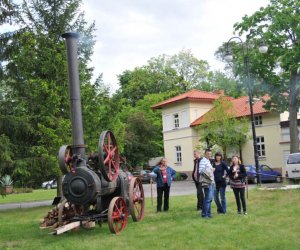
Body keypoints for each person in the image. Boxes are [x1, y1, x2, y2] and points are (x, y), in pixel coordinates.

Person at [199, 149, 214, 218]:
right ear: (205, 154)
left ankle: (208, 213)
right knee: (207, 198)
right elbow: (201, 171)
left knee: (210, 199)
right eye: (208, 154)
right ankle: (204, 214)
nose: (209, 155)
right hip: (206, 182)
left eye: (210, 154)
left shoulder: (208, 161)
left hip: (211, 182)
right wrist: (211, 170)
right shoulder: (203, 161)